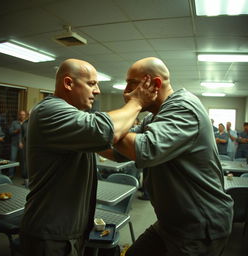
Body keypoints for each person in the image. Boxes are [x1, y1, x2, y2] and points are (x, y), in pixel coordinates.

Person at [19, 58, 157, 256]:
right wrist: (137, 102)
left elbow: (115, 152)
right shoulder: (48, 111)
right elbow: (103, 131)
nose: (98, 90)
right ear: (68, 83)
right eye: (91, 83)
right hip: (49, 233)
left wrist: (146, 129)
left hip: (72, 230)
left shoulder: (75, 123)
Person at [100, 57, 233, 256]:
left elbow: (142, 149)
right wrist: (86, 141)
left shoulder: (183, 107)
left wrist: (133, 105)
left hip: (199, 225)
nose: (125, 90)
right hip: (171, 222)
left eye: (132, 83)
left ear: (155, 84)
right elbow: (120, 151)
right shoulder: (155, 117)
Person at [8, 110, 27, 178]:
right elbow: (10, 132)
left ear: (25, 115)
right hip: (14, 144)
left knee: (23, 160)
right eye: (21, 114)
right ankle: (10, 175)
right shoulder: (14, 123)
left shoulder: (27, 123)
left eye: (23, 114)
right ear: (19, 115)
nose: (22, 116)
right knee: (12, 159)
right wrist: (16, 131)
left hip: (23, 145)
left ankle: (24, 175)